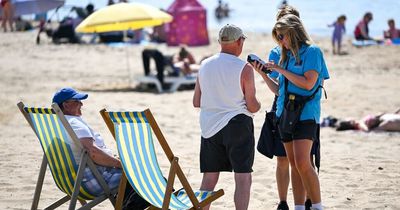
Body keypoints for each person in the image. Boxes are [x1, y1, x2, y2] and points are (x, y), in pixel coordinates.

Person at [253, 15, 326, 210]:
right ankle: (299, 207)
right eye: (277, 37)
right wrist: (262, 72)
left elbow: (309, 83)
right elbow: (279, 90)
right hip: (285, 114)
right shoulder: (284, 55)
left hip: (305, 114)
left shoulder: (312, 52)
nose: (279, 41)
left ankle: (318, 206)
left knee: (303, 162)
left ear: (293, 32)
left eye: (282, 36)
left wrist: (280, 69)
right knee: (294, 164)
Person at [193, 24, 261, 210]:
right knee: (243, 178)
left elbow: (196, 102)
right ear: (239, 41)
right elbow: (252, 106)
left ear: (220, 42)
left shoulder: (204, 65)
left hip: (210, 127)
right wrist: (259, 104)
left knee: (209, 179)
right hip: (237, 124)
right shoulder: (244, 68)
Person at [52, 87, 150, 210]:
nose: (81, 104)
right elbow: (92, 153)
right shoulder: (74, 123)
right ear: (65, 105)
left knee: (133, 180)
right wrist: (120, 164)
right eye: (77, 101)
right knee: (144, 176)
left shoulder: (54, 125)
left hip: (67, 182)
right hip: (90, 182)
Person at [336, 109, 400, 132]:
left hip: (385, 118)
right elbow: (366, 130)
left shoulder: (361, 121)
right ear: (350, 123)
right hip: (386, 122)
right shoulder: (360, 123)